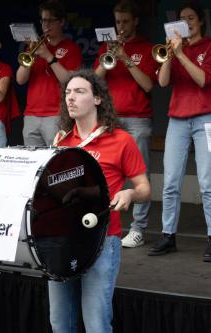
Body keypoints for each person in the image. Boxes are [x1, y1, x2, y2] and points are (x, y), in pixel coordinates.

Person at [49, 69, 151, 332]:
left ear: (97, 99)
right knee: (60, 323)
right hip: (62, 238)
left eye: (79, 92)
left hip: (102, 239)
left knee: (97, 324)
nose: (71, 98)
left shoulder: (121, 140)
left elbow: (144, 188)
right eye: (68, 92)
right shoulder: (60, 140)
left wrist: (129, 193)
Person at [147, 2, 211, 262]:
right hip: (178, 119)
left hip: (207, 117)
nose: (187, 22)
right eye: (182, 19)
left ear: (201, 21)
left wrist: (181, 55)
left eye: (191, 18)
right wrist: (171, 54)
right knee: (170, 182)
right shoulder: (175, 48)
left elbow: (204, 80)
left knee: (208, 182)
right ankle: (168, 235)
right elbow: (162, 81)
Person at [94, 0, 157, 248]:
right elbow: (95, 81)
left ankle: (138, 227)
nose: (121, 26)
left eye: (125, 22)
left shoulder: (146, 47)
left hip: (138, 118)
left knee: (139, 176)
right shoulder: (107, 47)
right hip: (111, 118)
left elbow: (148, 85)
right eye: (117, 22)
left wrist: (126, 58)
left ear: (136, 21)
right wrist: (108, 57)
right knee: (108, 172)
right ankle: (107, 223)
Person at [16, 0, 82, 147]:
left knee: (57, 162)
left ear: (62, 22)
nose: (46, 25)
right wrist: (31, 56)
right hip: (31, 115)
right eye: (43, 20)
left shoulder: (71, 48)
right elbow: (20, 79)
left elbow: (68, 80)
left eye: (51, 21)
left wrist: (48, 56)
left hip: (56, 114)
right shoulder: (36, 47)